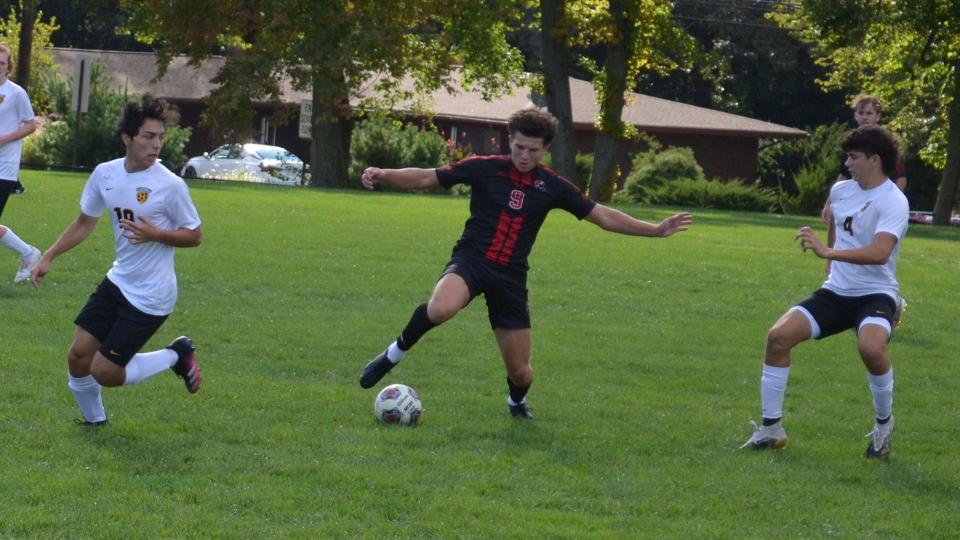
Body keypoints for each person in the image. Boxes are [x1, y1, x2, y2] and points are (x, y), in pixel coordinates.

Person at [358, 108, 693, 419]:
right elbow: (426, 178)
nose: (524, 156)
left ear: (545, 149)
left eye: (533, 150)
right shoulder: (484, 167)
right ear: (510, 141)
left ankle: (516, 402)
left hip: (510, 278)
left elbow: (602, 216)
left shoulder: (552, 186)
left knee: (521, 372)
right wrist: (384, 173)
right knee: (442, 307)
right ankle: (392, 355)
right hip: (472, 260)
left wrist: (655, 230)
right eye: (519, 147)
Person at [30, 94, 203, 426]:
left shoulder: (170, 185)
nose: (156, 145)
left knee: (105, 372)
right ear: (127, 138)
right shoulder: (105, 175)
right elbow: (84, 222)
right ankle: (95, 422)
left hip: (151, 296)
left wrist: (157, 234)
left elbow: (194, 235)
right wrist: (48, 256)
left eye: (160, 137)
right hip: (119, 281)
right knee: (78, 357)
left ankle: (176, 355)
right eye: (148, 137)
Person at [741, 125, 908, 459]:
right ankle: (772, 429)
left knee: (871, 348)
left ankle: (883, 426)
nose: (847, 163)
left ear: (875, 160)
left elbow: (879, 252)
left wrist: (828, 253)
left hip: (876, 293)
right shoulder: (842, 190)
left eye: (853, 157)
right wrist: (829, 262)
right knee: (778, 337)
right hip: (836, 291)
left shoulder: (894, 201)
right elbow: (836, 226)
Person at [822, 94, 908, 325]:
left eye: (870, 113)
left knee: (875, 251)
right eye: (861, 112)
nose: (865, 117)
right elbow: (841, 180)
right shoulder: (853, 152)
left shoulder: (883, 147)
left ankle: (886, 299)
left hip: (877, 209)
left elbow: (900, 179)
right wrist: (830, 203)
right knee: (780, 336)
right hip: (856, 206)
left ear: (879, 116)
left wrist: (896, 202)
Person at [0, 43, 40, 283]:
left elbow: (31, 124)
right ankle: (28, 253)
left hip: (4, 167)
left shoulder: (16, 93)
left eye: (1, 63)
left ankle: (28, 253)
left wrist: (4, 139)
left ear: (8, 67)